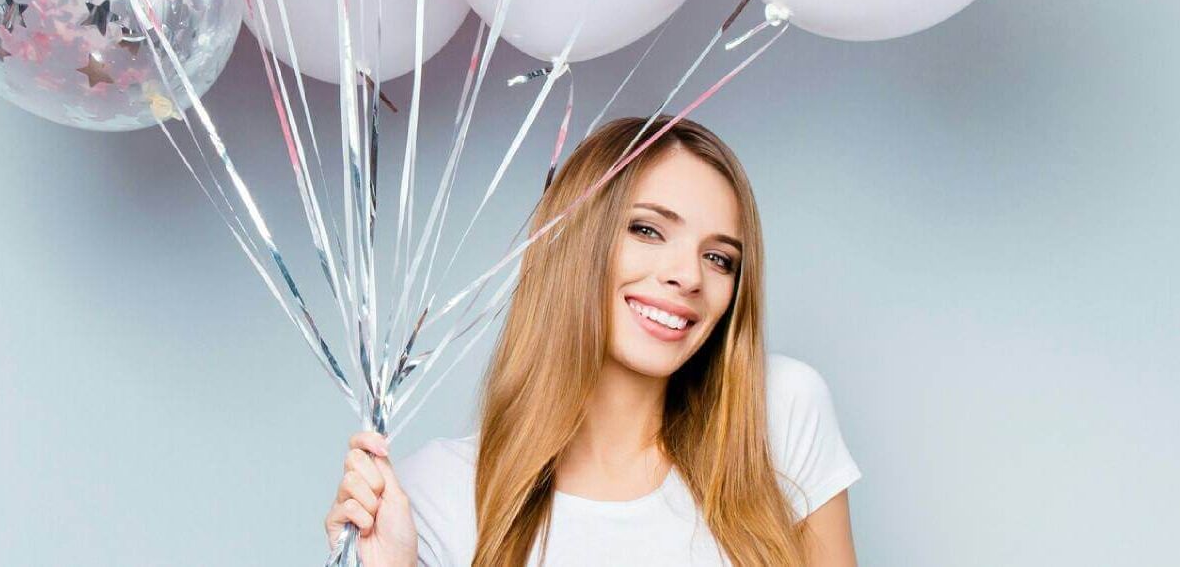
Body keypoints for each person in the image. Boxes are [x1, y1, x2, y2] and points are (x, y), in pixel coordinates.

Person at [324, 116, 860, 566]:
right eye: (647, 230)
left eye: (719, 258)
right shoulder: (436, 492)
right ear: (577, 239)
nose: (689, 276)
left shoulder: (777, 412)